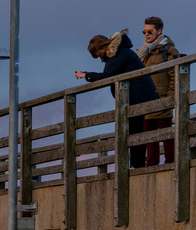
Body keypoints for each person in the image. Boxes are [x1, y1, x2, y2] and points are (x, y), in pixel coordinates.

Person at [75, 30, 157, 167]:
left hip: (138, 96)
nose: (100, 58)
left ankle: (137, 165)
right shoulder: (118, 52)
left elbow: (106, 76)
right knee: (135, 130)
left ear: (102, 48)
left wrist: (86, 76)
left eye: (98, 55)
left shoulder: (118, 54)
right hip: (138, 95)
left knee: (135, 131)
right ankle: (137, 164)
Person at [137, 16, 180, 166]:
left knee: (167, 135)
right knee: (149, 137)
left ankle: (171, 165)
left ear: (159, 30)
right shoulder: (143, 53)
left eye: (150, 31)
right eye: (144, 32)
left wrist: (169, 99)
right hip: (146, 102)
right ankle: (151, 166)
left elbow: (175, 77)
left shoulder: (169, 50)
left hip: (162, 101)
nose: (147, 34)